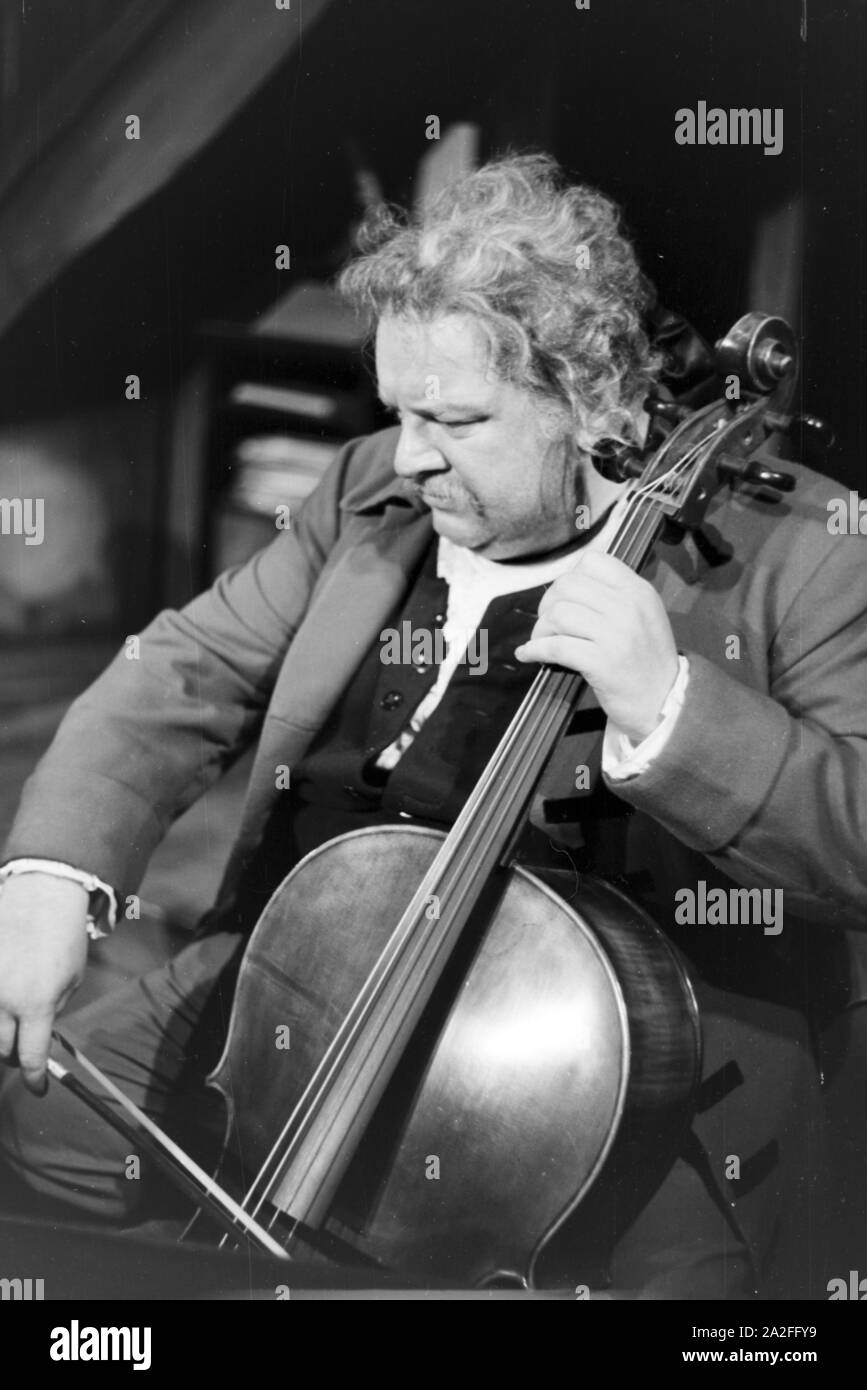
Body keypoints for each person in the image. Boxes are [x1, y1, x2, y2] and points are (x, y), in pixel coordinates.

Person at [0, 154, 864, 1299]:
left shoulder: (810, 550)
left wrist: (671, 711)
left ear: (592, 402)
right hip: (314, 967)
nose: (409, 453)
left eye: (456, 417)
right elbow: (184, 667)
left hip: (607, 1059)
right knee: (45, 1123)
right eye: (399, 409)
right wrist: (48, 873)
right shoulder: (375, 486)